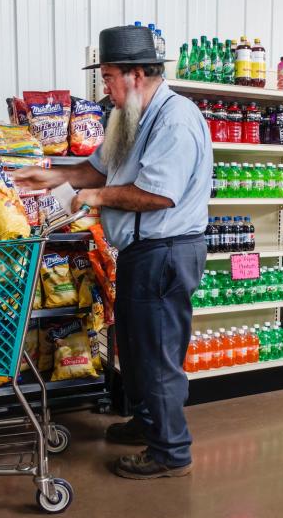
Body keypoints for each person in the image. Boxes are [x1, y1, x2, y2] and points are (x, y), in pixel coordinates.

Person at [14, 25, 212, 479]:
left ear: (136, 74)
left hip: (165, 252)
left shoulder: (175, 120)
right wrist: (50, 178)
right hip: (144, 254)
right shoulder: (131, 117)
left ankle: (170, 452)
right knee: (140, 352)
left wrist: (97, 199)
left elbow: (159, 195)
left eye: (108, 77)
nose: (105, 88)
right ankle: (149, 425)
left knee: (158, 354)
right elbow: (96, 169)